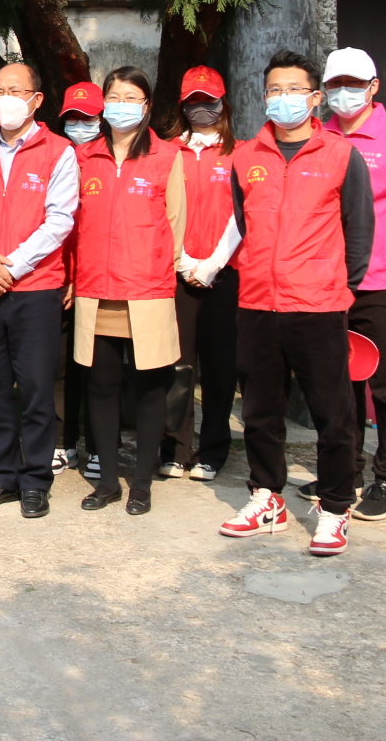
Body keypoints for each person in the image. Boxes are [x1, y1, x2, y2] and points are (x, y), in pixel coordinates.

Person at [218, 50, 373, 557]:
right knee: (260, 411)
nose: (283, 99)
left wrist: (338, 286)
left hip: (318, 304)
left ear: (315, 98)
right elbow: (242, 223)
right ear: (264, 97)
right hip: (257, 303)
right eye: (275, 90)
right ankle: (267, 497)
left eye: (294, 90)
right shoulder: (246, 156)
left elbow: (359, 231)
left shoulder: (341, 155)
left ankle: (335, 506)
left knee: (333, 412)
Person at [0, 62, 77, 519]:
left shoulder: (59, 151)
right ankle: (1, 475)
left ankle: (35, 480)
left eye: (16, 90)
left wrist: (14, 266)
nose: (5, 99)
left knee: (37, 389)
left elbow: (60, 219)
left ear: (36, 100)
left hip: (36, 288)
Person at [310, 46, 386, 522]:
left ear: (374, 87)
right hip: (327, 279)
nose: (344, 93)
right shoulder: (317, 136)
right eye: (335, 85)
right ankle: (346, 471)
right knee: (339, 380)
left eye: (353, 85)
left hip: (382, 278)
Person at [70, 67, 184, 515]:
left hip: (147, 288)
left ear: (146, 106)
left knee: (149, 388)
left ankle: (141, 483)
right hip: (95, 288)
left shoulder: (167, 156)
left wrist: (161, 271)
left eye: (131, 98)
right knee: (101, 385)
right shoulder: (85, 157)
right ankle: (107, 482)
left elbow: (176, 222)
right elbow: (73, 222)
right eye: (114, 97)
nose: (121, 106)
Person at [162, 66, 243, 483]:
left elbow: (242, 215)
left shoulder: (240, 154)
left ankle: (212, 450)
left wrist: (211, 264)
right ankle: (175, 448)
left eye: (207, 101)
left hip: (223, 274)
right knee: (177, 366)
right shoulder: (167, 152)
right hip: (177, 272)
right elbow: (161, 212)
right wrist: (183, 262)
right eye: (192, 102)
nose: (200, 109)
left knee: (219, 367)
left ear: (222, 104)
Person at [54, 78, 104, 475]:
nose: (79, 125)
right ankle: (62, 442)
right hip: (56, 277)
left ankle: (100, 446)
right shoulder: (56, 155)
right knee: (58, 368)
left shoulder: (109, 159)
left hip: (96, 277)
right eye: (72, 118)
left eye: (87, 118)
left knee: (100, 370)